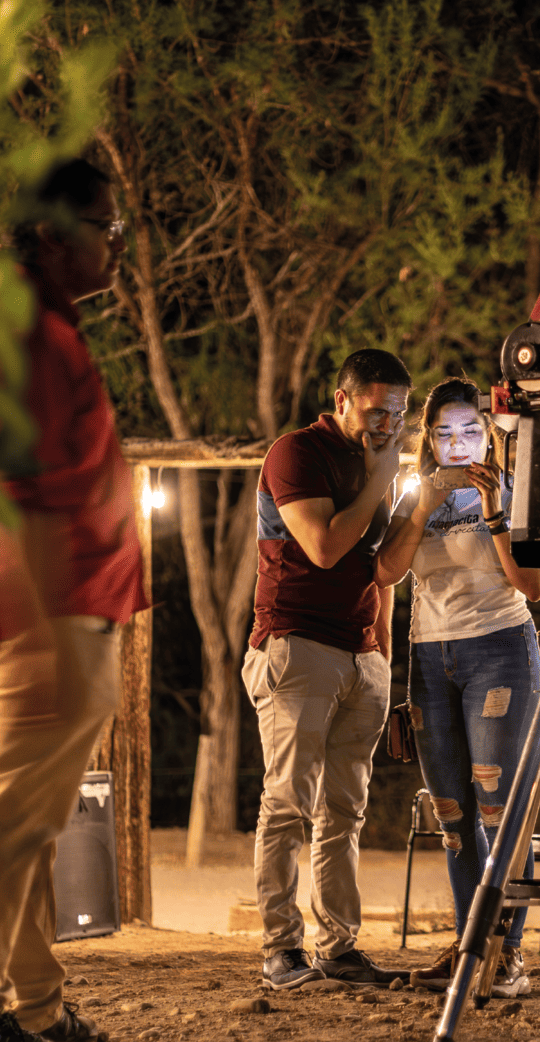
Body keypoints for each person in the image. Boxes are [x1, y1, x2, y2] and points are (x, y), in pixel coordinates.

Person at [0, 159, 147, 1041]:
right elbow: (27, 481)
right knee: (17, 826)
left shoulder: (41, 322)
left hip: (57, 614)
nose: (118, 244)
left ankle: (36, 1011)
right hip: (52, 618)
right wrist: (52, 633)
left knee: (27, 826)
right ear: (55, 236)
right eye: (106, 226)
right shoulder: (31, 333)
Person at [242, 349, 413, 990]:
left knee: (345, 809)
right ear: (341, 401)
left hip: (359, 655)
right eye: (375, 411)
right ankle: (280, 951)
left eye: (397, 413)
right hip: (295, 645)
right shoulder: (297, 453)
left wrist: (383, 659)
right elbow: (323, 547)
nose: (386, 423)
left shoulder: (377, 464)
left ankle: (338, 947)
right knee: (289, 801)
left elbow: (381, 568)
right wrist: (381, 476)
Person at [373, 376, 540, 998]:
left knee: (500, 814)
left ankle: (508, 953)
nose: (457, 444)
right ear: (430, 441)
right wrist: (422, 504)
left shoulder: (517, 487)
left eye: (471, 431)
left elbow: (533, 585)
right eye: (444, 434)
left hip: (499, 649)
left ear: (489, 433)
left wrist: (496, 511)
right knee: (453, 815)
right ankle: (467, 945)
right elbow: (387, 572)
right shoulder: (410, 491)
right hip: (430, 656)